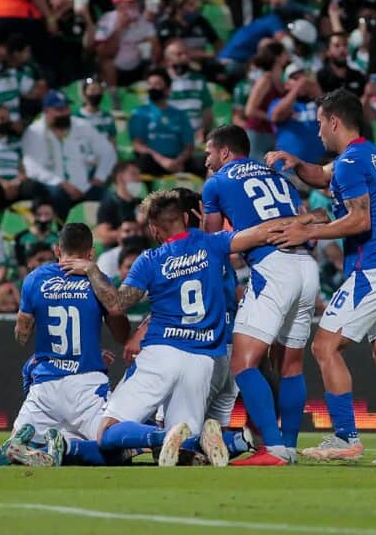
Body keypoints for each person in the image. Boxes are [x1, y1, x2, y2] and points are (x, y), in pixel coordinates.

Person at [56, 190, 292, 467]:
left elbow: (118, 304)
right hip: (202, 361)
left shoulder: (150, 260)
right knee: (181, 455)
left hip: (161, 353)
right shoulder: (215, 244)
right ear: (183, 217)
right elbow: (261, 233)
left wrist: (93, 271)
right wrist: (307, 220)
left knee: (106, 432)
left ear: (154, 228)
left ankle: (164, 436)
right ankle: (229, 441)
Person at [266, 89, 376, 466]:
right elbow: (322, 176)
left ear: (334, 121)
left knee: (324, 347)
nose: (318, 130)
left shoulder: (349, 163)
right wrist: (295, 162)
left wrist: (308, 233)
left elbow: (360, 219)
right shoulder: (363, 152)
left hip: (372, 267)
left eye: (321, 123)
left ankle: (345, 437)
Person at [197, 125, 323, 465]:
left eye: (209, 152)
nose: (206, 160)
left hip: (273, 266)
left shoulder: (217, 182)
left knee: (243, 361)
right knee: (290, 364)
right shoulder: (277, 177)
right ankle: (290, 446)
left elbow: (212, 241)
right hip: (306, 266)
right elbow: (303, 221)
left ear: (224, 152)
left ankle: (274, 447)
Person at [0, 223, 131, 467]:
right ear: (91, 253)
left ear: (58, 250)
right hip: (85, 384)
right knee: (117, 450)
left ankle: (39, 446)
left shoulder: (34, 279)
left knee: (13, 448)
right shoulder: (97, 281)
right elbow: (121, 333)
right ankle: (68, 448)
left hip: (46, 386)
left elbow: (22, 334)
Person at [23, 91, 116, 219]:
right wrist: (61, 183)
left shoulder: (82, 126)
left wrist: (99, 177)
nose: (65, 112)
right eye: (59, 110)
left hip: (84, 186)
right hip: (53, 186)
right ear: (46, 111)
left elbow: (108, 152)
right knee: (56, 194)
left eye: (66, 108)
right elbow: (32, 167)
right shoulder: (34, 132)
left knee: (110, 198)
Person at [128, 69, 196, 176]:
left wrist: (179, 161)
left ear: (168, 90)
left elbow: (189, 146)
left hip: (177, 160)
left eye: (157, 84)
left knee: (202, 163)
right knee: (144, 160)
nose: (152, 88)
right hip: (153, 160)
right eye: (150, 84)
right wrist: (161, 160)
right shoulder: (139, 113)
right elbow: (137, 144)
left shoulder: (180, 114)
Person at [94, 0, 158, 91]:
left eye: (135, 1)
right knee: (107, 64)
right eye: (129, 1)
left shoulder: (144, 21)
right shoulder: (106, 20)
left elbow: (156, 54)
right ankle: (114, 99)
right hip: (115, 69)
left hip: (137, 66)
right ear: (118, 4)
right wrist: (119, 29)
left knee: (154, 64)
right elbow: (102, 54)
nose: (134, 4)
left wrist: (149, 42)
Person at [268, 63, 326, 167]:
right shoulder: (277, 102)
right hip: (288, 170)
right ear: (286, 84)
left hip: (317, 170)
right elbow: (276, 116)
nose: (302, 82)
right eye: (295, 79)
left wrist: (316, 89)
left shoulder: (317, 104)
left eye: (303, 78)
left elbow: (332, 113)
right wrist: (297, 87)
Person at [243, 42, 290, 161]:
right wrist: (272, 117)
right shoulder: (265, 80)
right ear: (278, 57)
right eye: (285, 53)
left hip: (271, 134)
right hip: (257, 133)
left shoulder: (280, 80)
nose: (288, 56)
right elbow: (249, 110)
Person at [164, 40, 213, 140]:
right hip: (168, 136)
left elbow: (207, 112)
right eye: (179, 54)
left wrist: (203, 130)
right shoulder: (161, 81)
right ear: (168, 60)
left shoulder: (199, 80)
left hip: (195, 136)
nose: (185, 57)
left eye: (186, 53)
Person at [95, 161, 145, 247]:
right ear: (120, 178)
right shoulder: (108, 204)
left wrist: (144, 224)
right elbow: (104, 236)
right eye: (133, 174)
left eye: (139, 174)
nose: (138, 179)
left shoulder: (143, 203)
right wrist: (129, 230)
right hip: (119, 253)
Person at [13, 201, 59, 267]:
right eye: (39, 214)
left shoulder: (58, 239)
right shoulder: (20, 238)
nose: (43, 219)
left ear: (54, 215)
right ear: (33, 215)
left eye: (47, 214)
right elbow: (20, 265)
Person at [74, 78, 116, 145]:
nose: (96, 93)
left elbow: (113, 142)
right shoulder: (75, 117)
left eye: (99, 90)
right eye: (92, 90)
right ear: (85, 92)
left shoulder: (107, 117)